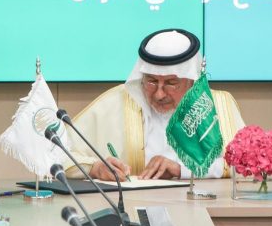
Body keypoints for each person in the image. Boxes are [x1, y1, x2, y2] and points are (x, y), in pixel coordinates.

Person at [64, 28, 245, 180]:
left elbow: (246, 164)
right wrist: (95, 168)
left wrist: (181, 170)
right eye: (151, 81)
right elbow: (58, 153)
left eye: (171, 83)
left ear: (191, 81)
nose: (159, 94)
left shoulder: (218, 106)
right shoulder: (114, 103)